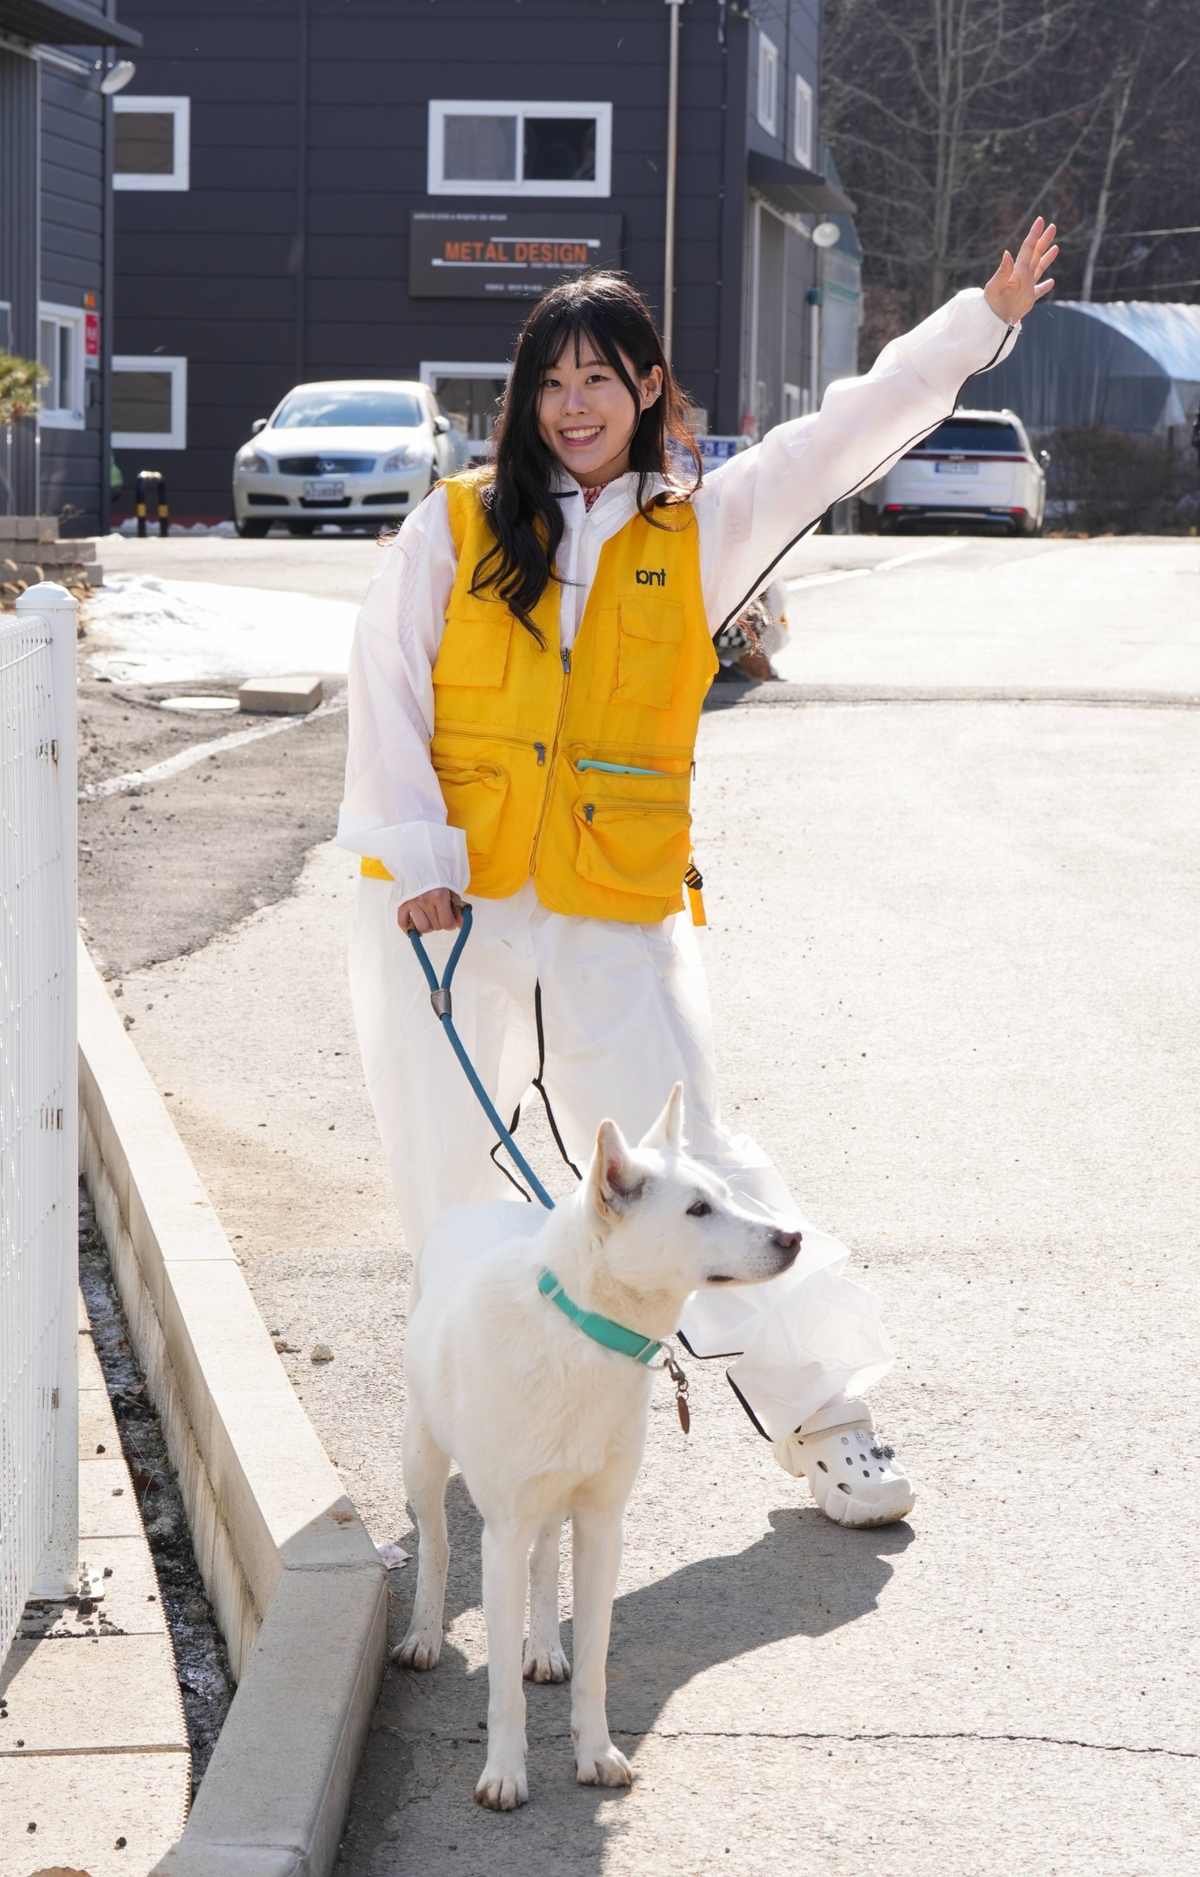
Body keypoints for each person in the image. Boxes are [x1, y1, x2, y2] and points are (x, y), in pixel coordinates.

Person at [338, 219, 1057, 1529]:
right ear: (525, 398)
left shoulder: (702, 526)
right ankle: (473, 1441)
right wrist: (419, 862)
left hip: (616, 911)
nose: (574, 407)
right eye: (552, 383)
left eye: (601, 379)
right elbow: (384, 686)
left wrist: (980, 319)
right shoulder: (451, 529)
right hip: (457, 909)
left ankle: (830, 1417)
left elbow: (840, 431)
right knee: (451, 1191)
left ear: (649, 388)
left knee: (701, 1174)